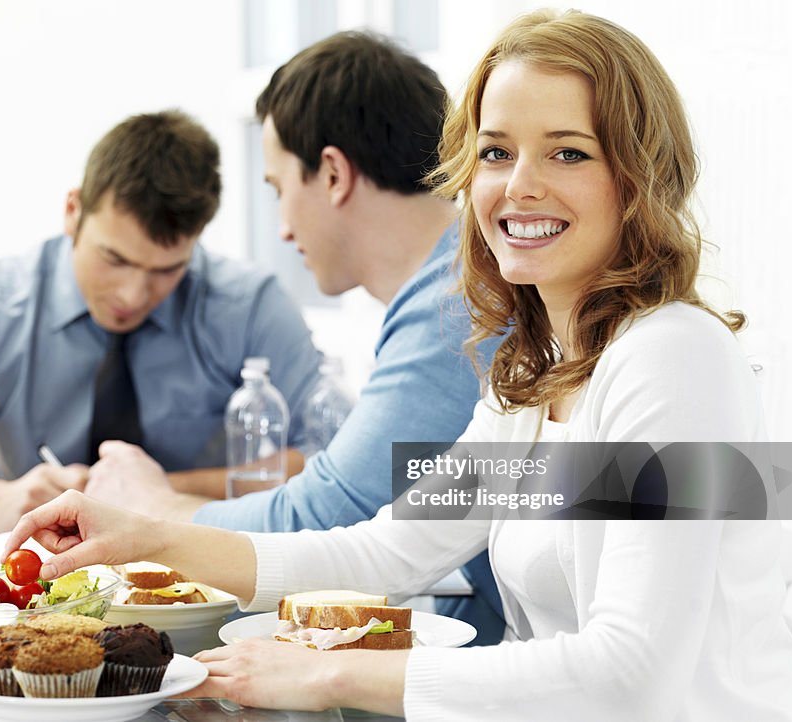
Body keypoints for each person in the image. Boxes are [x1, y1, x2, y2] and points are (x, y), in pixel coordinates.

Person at [2, 9, 792, 720]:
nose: (518, 187)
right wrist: (144, 538)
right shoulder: (531, 377)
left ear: (638, 176)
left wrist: (330, 676)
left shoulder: (673, 357)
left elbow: (632, 676)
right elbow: (380, 551)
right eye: (496, 152)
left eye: (567, 153)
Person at [80, 32, 504, 644]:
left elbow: (331, 516)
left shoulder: (456, 306)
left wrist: (155, 507)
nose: (281, 229)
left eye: (279, 189)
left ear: (332, 174)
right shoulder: (451, 291)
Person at [0, 110, 323, 533]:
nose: (133, 295)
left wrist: (155, 491)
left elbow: (328, 459)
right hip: (25, 595)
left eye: (166, 270)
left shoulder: (249, 306)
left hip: (207, 591)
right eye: (115, 258)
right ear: (72, 211)